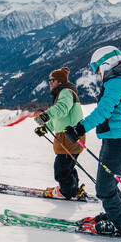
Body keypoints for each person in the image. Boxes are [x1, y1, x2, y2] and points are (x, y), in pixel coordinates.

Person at [65, 46, 121, 237]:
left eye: (97, 68)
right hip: (116, 142)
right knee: (107, 184)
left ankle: (117, 225)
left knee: (104, 187)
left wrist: (80, 128)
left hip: (118, 144)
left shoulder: (117, 83)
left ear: (106, 64)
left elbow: (103, 111)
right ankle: (115, 215)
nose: (97, 73)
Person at [34, 67, 86, 199]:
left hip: (69, 137)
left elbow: (62, 109)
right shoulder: (64, 92)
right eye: (49, 80)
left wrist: (47, 115)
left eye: (52, 80)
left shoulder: (66, 92)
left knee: (61, 170)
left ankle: (67, 192)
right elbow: (60, 119)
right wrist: (46, 128)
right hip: (69, 137)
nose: (50, 82)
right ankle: (72, 190)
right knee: (67, 167)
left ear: (60, 81)